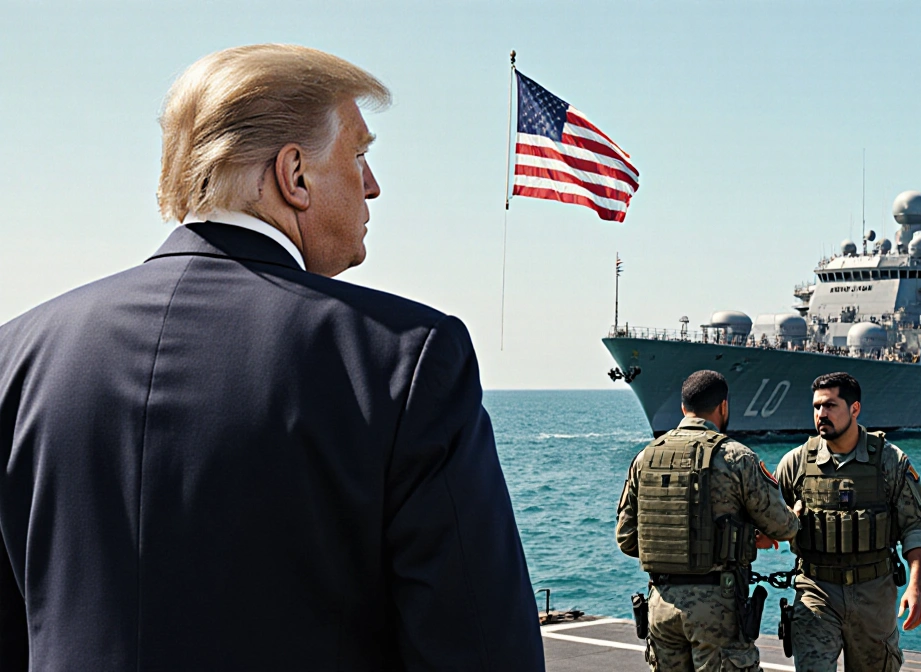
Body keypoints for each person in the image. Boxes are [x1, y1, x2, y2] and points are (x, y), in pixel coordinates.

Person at [0, 44, 543, 671]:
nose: (373, 185)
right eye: (360, 154)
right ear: (296, 176)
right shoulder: (405, 359)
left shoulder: (16, 357)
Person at [616, 370, 802, 671]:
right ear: (723, 407)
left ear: (682, 408)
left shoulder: (645, 458)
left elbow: (626, 538)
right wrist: (794, 514)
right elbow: (784, 527)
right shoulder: (736, 457)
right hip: (717, 609)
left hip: (661, 606)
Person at [774, 372, 921, 672]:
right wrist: (783, 524)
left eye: (831, 406)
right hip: (816, 592)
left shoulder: (889, 462)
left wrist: (916, 589)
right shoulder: (795, 464)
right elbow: (765, 522)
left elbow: (916, 529)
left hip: (873, 593)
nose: (821, 414)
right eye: (817, 407)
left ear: (855, 409)